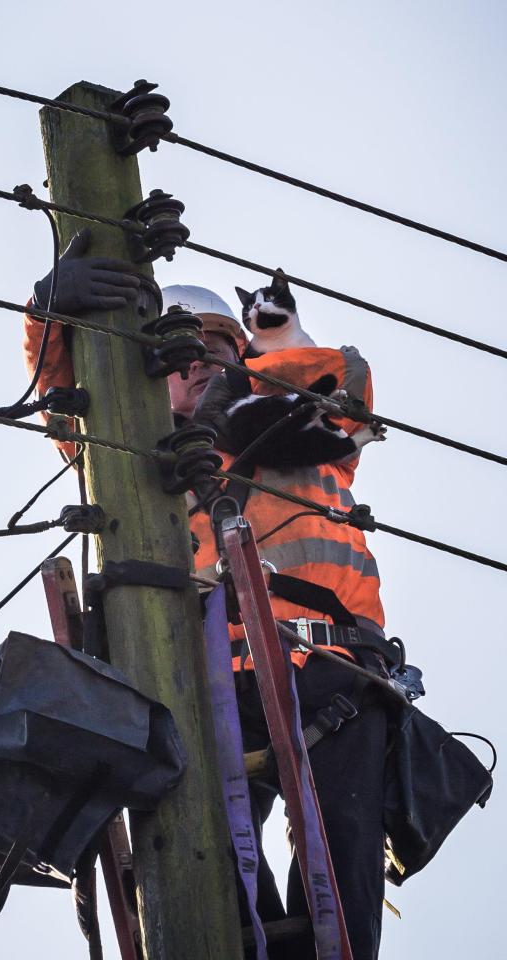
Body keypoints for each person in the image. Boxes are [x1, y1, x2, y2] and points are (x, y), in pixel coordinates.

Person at [24, 244, 388, 959]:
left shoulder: (297, 426)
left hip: (334, 674)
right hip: (206, 687)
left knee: (345, 894)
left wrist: (237, 384)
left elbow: (348, 375)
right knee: (213, 885)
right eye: (177, 354)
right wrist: (50, 313)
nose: (196, 365)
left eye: (212, 349)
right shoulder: (133, 465)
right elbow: (68, 408)